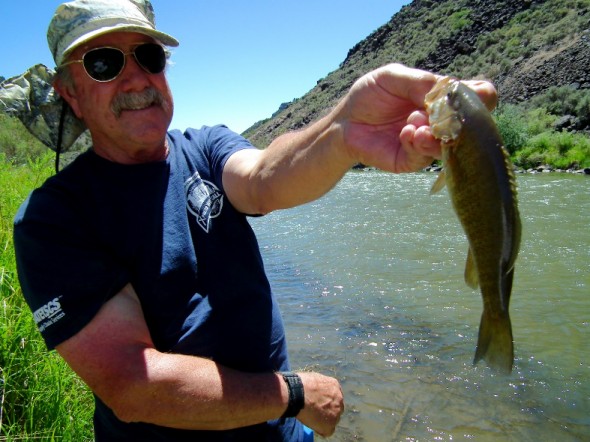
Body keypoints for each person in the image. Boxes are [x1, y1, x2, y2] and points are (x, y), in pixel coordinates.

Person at [12, 0, 497, 440]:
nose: (137, 78)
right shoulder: (51, 220)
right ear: (70, 92)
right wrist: (295, 395)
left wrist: (345, 132)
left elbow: (265, 176)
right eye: (104, 63)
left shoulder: (203, 147)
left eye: (149, 56)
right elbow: (135, 386)